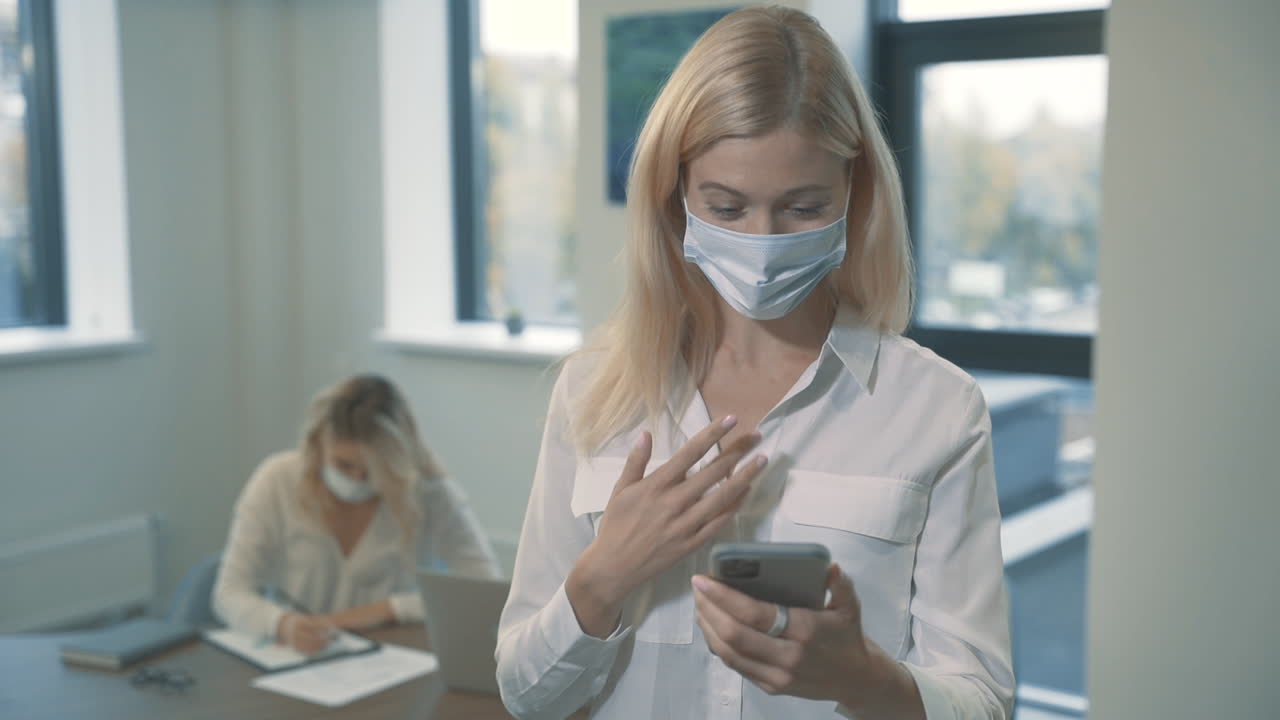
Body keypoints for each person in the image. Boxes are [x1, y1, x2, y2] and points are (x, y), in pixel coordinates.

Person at [495, 6, 1013, 720]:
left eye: (803, 207)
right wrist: (601, 580)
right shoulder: (593, 395)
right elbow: (526, 699)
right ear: (674, 196)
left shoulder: (936, 408)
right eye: (727, 205)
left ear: (854, 193)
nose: (763, 241)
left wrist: (865, 679)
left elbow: (984, 702)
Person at [213, 374, 501, 653]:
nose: (358, 479)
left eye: (373, 470)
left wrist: (389, 609)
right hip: (301, 657)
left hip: (395, 660)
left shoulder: (428, 490)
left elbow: (486, 591)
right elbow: (228, 594)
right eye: (343, 465)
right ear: (318, 444)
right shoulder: (276, 480)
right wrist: (282, 623)